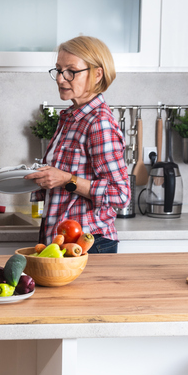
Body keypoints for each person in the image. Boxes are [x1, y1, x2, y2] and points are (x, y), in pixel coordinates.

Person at [25, 36, 129, 254]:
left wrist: (65, 180)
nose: (61, 79)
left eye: (71, 71)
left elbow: (120, 194)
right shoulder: (71, 118)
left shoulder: (98, 122)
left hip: (89, 243)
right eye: (58, 70)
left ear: (97, 73)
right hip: (62, 240)